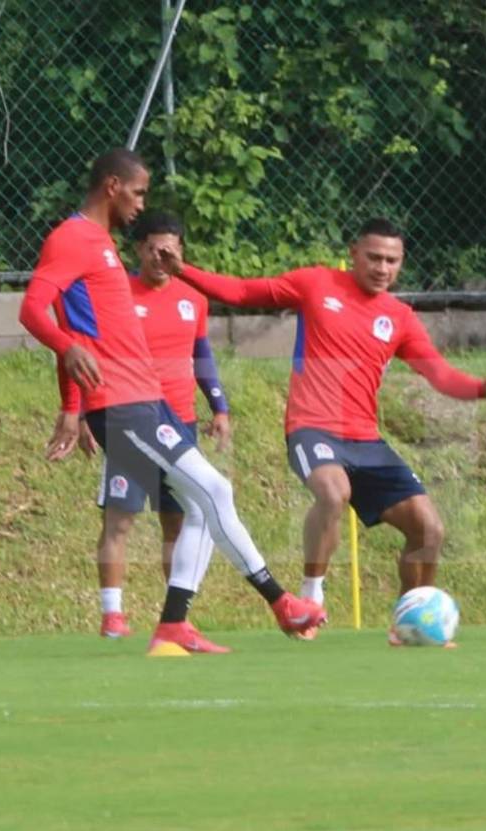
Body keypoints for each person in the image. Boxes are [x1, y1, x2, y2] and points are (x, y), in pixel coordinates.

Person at [19, 148, 326, 653]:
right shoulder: (72, 238)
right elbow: (33, 309)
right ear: (113, 186)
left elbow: (79, 324)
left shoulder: (100, 244)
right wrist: (68, 358)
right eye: (138, 192)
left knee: (204, 503)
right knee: (212, 491)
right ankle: (277, 601)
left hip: (146, 399)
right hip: (120, 401)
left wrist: (69, 398)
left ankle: (176, 622)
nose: (142, 204)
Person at [159, 218, 486, 641]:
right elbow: (242, 292)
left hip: (366, 439)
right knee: (334, 493)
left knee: (429, 530)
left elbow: (439, 374)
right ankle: (311, 595)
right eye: (374, 257)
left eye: (392, 260)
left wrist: (481, 389)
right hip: (312, 429)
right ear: (354, 254)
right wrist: (182, 269)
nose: (382, 268)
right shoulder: (315, 284)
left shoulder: (399, 317)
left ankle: (408, 623)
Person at [48, 210, 232, 640]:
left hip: (180, 423)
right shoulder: (116, 294)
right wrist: (85, 411)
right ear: (138, 250)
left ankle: (175, 616)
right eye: (151, 248)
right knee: (120, 519)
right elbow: (81, 348)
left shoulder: (194, 298)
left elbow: (201, 355)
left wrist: (219, 407)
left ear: (181, 252)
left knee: (178, 521)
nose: (159, 256)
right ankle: (113, 614)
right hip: (129, 418)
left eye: (169, 249)